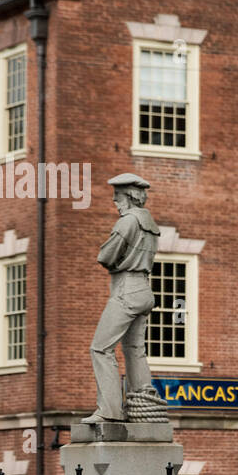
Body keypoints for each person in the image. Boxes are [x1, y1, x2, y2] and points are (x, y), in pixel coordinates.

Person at [84, 173, 161, 423]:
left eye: (117, 197)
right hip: (144, 289)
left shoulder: (128, 221)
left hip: (126, 288)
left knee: (100, 348)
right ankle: (143, 402)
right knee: (135, 349)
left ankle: (109, 410)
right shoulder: (149, 222)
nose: (115, 202)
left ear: (129, 197)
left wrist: (116, 262)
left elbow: (105, 256)